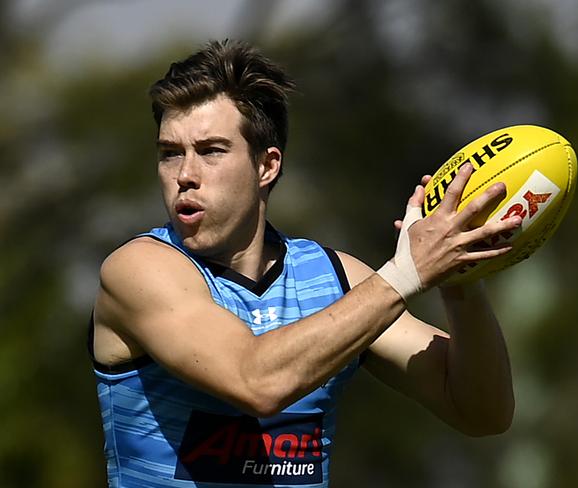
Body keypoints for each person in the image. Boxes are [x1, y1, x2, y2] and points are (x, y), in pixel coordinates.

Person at [89, 39, 521, 488]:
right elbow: (255, 382)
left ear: (266, 166)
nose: (184, 174)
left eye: (211, 150)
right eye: (170, 152)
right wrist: (407, 273)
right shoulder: (139, 270)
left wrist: (459, 282)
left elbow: (482, 412)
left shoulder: (337, 279)